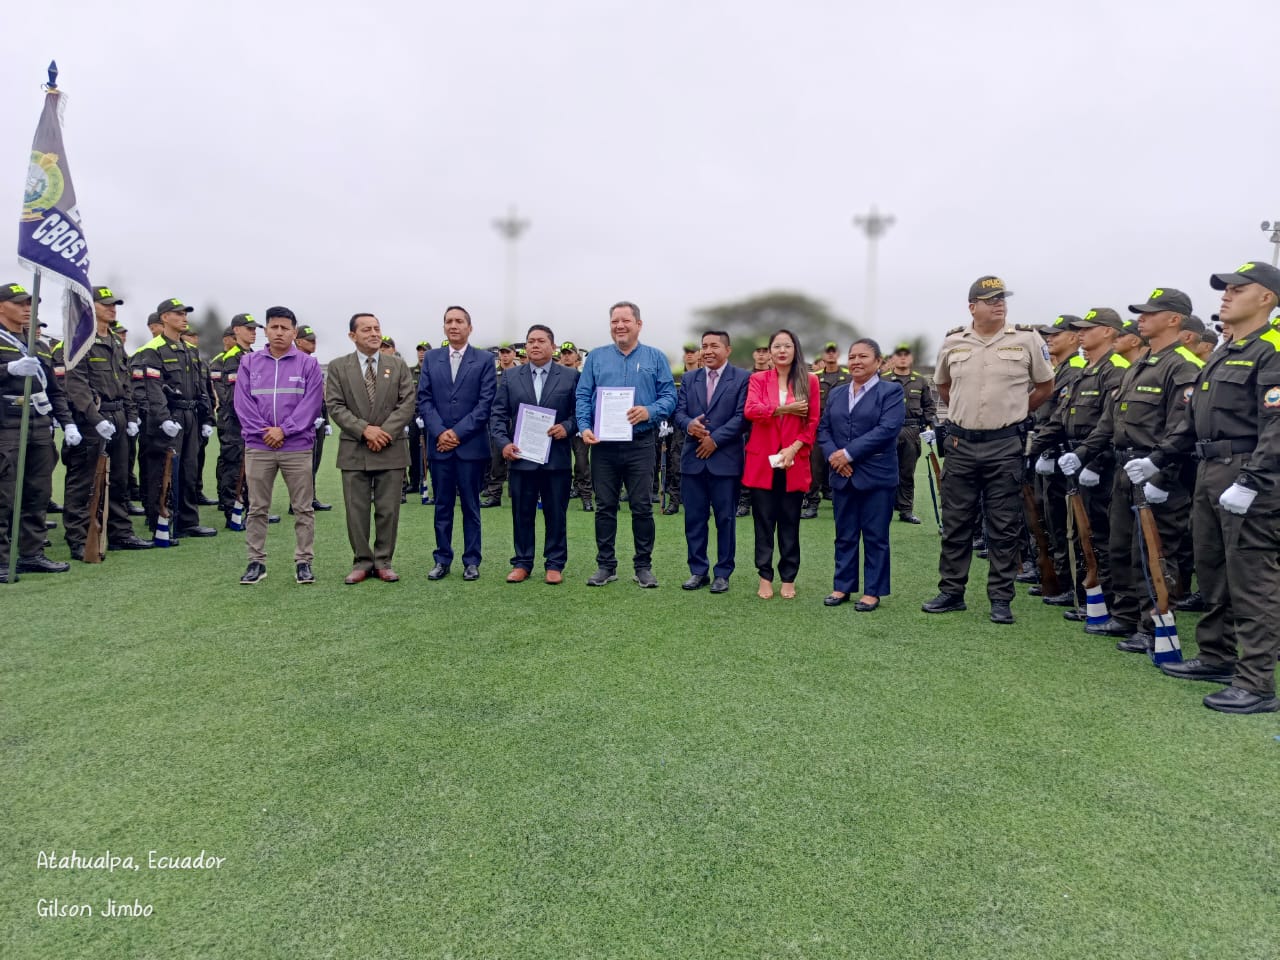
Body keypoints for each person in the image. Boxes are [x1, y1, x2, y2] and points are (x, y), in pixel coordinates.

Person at [1140, 261, 1280, 713]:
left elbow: (1276, 425)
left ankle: (1256, 682)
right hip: (1209, 468)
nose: (1226, 294)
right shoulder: (1224, 351)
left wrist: (1253, 480)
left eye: (1238, 289)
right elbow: (1192, 417)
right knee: (1213, 571)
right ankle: (1218, 656)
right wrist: (1159, 460)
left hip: (1248, 470)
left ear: (1266, 297)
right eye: (1225, 289)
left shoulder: (1272, 349)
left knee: (1252, 578)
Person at [1061, 289, 1203, 651]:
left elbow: (1183, 429)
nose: (1141, 318)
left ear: (1174, 319)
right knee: (1121, 547)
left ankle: (1153, 626)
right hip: (1126, 469)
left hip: (1156, 471)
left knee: (1154, 553)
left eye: (1151, 313)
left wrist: (1163, 476)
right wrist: (1083, 454)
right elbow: (1109, 424)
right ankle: (1125, 615)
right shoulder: (1140, 365)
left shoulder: (1182, 365)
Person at [923, 276, 1054, 624]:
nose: (999, 304)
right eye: (990, 299)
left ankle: (1000, 597)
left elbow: (1045, 385)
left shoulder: (1027, 339)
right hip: (961, 444)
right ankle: (952, 592)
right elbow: (944, 386)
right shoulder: (954, 341)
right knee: (956, 523)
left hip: (1004, 445)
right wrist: (965, 415)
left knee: (1004, 525)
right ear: (972, 307)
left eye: (1002, 299)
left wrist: (1017, 411)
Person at [575, 300, 677, 587]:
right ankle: (606, 566)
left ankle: (643, 566)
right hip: (603, 445)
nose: (619, 326)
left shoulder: (655, 357)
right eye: (614, 321)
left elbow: (670, 396)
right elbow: (583, 395)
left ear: (638, 324)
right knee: (605, 506)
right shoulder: (596, 358)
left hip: (641, 443)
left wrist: (650, 411)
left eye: (625, 321)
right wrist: (584, 426)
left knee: (641, 506)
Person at [59, 285, 152, 560]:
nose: (112, 308)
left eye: (114, 304)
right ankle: (79, 538)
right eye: (106, 304)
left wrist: (132, 416)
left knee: (120, 479)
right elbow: (76, 384)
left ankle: (120, 532)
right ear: (89, 307)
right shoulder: (79, 340)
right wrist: (94, 417)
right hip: (93, 420)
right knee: (85, 481)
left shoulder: (114, 341)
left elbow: (126, 383)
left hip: (118, 416)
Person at [233, 306, 324, 584]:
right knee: (257, 507)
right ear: (266, 330)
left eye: (285, 328)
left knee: (303, 508)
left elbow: (311, 404)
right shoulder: (249, 362)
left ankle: (304, 561)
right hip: (259, 446)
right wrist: (265, 432)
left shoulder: (308, 364)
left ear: (294, 332)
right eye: (274, 327)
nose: (279, 332)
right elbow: (242, 403)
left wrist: (285, 430)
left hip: (296, 446)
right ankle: (256, 562)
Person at [326, 312, 416, 583]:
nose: (375, 333)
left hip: (391, 447)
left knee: (388, 510)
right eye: (367, 329)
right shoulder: (338, 367)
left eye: (377, 328)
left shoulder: (397, 365)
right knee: (357, 511)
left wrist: (384, 433)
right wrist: (365, 430)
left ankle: (383, 561)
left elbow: (407, 403)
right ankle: (362, 561)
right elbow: (335, 405)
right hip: (355, 448)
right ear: (352, 335)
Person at [817, 338, 904, 609]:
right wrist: (834, 456)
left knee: (876, 536)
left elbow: (887, 429)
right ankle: (842, 586)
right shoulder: (837, 393)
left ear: (878, 362)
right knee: (845, 534)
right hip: (842, 475)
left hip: (876, 476)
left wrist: (848, 454)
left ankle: (873, 591)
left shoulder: (891, 391)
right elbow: (823, 429)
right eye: (852, 356)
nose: (856, 361)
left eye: (863, 356)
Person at [490, 324, 578, 584]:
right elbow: (498, 415)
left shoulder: (570, 376)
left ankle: (555, 564)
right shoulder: (510, 377)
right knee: (522, 513)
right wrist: (504, 443)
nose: (535, 345)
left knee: (556, 514)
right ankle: (522, 562)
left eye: (541, 341)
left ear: (553, 346)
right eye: (530, 341)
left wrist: (567, 427)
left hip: (556, 460)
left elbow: (580, 413)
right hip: (521, 458)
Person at [0, 282, 76, 579]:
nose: (27, 308)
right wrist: (8, 370)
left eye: (30, 303)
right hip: (6, 424)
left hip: (39, 423)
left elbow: (54, 390)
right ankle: (2, 559)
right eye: (20, 303)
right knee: (4, 494)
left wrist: (67, 421)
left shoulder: (39, 345)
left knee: (37, 492)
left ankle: (31, 553)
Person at [418, 305, 497, 581]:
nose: (454, 325)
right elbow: (424, 399)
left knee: (471, 507)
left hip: (470, 447)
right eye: (449, 321)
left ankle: (472, 560)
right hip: (440, 447)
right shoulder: (431, 358)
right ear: (444, 327)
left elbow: (485, 403)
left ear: (469, 327)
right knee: (442, 506)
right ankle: (442, 559)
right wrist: (441, 432)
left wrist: (456, 434)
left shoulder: (484, 359)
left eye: (459, 321)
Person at [130, 298, 218, 540]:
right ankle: (160, 521)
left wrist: (206, 418)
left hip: (190, 415)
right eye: (178, 314)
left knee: (189, 469)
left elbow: (201, 386)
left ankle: (187, 521)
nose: (184, 318)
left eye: (185, 314)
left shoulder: (190, 350)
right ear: (164, 318)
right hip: (169, 415)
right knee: (163, 470)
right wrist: (163, 419)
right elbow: (151, 389)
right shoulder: (152, 350)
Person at [742, 329, 820, 599]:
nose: (782, 350)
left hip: (793, 461)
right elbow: (751, 411)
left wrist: (794, 447)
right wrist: (783, 409)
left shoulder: (809, 380)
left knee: (790, 522)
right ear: (770, 352)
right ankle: (764, 576)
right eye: (776, 346)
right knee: (763, 522)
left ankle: (788, 577)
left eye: (787, 345)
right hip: (762, 461)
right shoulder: (758, 379)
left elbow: (812, 422)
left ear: (796, 349)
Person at [673, 330, 749, 593]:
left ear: (728, 350)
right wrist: (689, 424)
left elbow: (742, 417)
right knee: (694, 519)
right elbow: (678, 412)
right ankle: (698, 571)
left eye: (714, 346)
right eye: (704, 346)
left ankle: (723, 573)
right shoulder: (689, 378)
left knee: (725, 519)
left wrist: (715, 440)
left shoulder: (742, 378)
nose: (708, 351)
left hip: (725, 461)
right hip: (693, 460)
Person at [880, 342, 936, 524]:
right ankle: (884, 508)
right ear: (893, 358)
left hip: (911, 430)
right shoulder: (883, 379)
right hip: (888, 430)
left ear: (911, 358)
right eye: (899, 354)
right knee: (886, 471)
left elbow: (929, 406)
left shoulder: (920, 381)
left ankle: (905, 510)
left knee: (907, 472)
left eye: (906, 355)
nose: (903, 358)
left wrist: (929, 426)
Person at [802, 342, 851, 519]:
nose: (830, 354)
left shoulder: (848, 377)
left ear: (838, 354)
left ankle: (842, 503)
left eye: (833, 351)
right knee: (814, 469)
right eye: (827, 352)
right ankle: (812, 504)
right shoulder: (812, 377)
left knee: (842, 465)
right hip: (818, 428)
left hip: (841, 428)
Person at [293, 325, 332, 511]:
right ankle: (297, 501)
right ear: (298, 341)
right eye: (309, 340)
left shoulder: (312, 362)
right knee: (302, 465)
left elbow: (319, 396)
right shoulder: (294, 363)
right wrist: (307, 417)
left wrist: (326, 420)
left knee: (314, 462)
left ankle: (310, 497)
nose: (313, 343)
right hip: (303, 423)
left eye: (314, 340)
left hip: (318, 421)